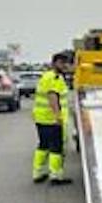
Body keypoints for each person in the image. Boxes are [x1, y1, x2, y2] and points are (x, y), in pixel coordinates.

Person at [32, 51, 73, 185]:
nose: (66, 66)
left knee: (43, 145)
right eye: (63, 63)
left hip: (41, 118)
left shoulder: (47, 76)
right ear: (56, 63)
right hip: (51, 119)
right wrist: (58, 116)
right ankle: (55, 176)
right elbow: (52, 96)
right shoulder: (54, 77)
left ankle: (37, 173)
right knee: (56, 147)